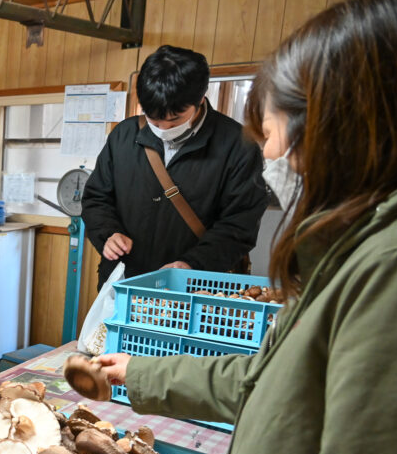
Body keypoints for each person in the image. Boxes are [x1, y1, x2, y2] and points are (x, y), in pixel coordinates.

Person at [97, 0, 397, 454]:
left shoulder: (385, 273)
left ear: (342, 125)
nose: (273, 154)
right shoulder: (348, 253)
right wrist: (140, 371)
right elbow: (270, 385)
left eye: (275, 129)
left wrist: (188, 257)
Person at [81, 45, 268, 286]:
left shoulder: (237, 145)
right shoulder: (124, 136)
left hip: (196, 289)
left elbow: (240, 223)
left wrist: (193, 264)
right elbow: (96, 197)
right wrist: (108, 234)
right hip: (125, 281)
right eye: (153, 119)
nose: (163, 129)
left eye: (174, 120)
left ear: (200, 99)